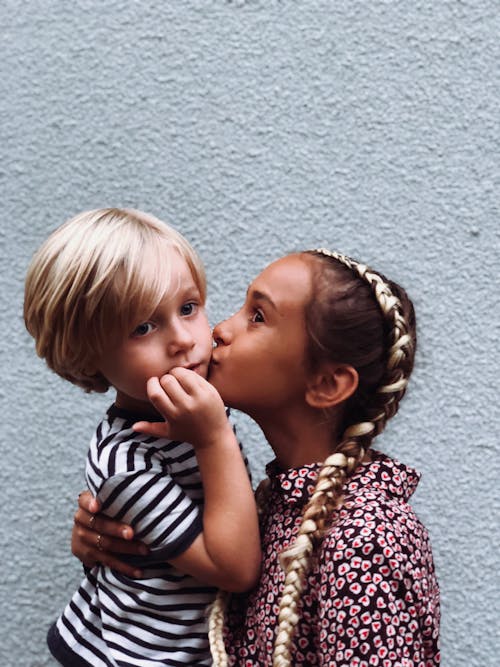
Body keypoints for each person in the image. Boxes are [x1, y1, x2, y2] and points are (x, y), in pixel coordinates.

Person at [73, 248, 441, 666]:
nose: (219, 332)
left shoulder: (370, 542)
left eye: (258, 317)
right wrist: (112, 542)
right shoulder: (276, 507)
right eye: (241, 306)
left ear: (327, 384)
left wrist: (213, 440)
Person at [24, 208, 260, 667]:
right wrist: (213, 439)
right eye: (143, 327)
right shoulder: (125, 462)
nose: (183, 339)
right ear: (87, 355)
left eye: (188, 308)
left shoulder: (200, 403)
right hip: (139, 656)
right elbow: (236, 569)